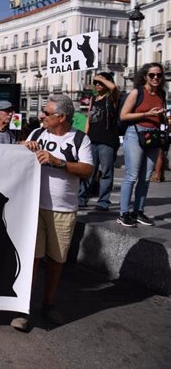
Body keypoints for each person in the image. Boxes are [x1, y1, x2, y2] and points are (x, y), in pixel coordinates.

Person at [17, 94, 93, 331]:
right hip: (35, 206)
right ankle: (24, 308)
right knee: (33, 259)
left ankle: (48, 303)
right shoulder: (37, 134)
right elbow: (18, 152)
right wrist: (24, 146)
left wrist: (58, 162)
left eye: (47, 113)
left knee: (56, 261)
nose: (42, 116)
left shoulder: (81, 139)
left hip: (63, 209)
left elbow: (87, 170)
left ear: (61, 117)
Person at [118, 63, 166, 228]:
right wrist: (147, 114)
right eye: (152, 75)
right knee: (132, 175)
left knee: (145, 178)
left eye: (159, 75)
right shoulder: (137, 93)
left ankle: (138, 211)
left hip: (153, 136)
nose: (156, 78)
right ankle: (123, 213)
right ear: (145, 76)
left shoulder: (162, 94)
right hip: (135, 133)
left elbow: (160, 116)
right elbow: (124, 115)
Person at [78, 72, 120, 211]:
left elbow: (113, 88)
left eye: (101, 82)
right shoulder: (93, 99)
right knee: (89, 171)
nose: (97, 84)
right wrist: (84, 137)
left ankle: (103, 202)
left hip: (107, 141)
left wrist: (98, 77)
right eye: (96, 82)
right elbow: (89, 120)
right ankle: (81, 198)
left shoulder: (112, 98)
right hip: (91, 139)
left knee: (106, 173)